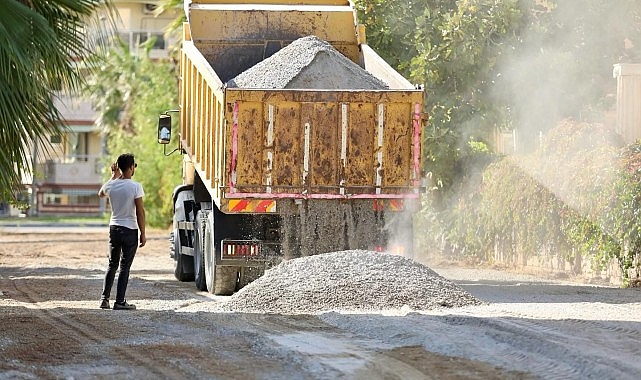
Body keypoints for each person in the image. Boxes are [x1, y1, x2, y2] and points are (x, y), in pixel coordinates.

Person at [98, 153, 146, 310]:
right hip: (130, 229)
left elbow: (100, 194)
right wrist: (143, 233)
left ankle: (104, 299)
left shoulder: (112, 185)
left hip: (114, 229)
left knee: (112, 264)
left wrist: (113, 176)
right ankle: (120, 301)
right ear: (131, 167)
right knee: (124, 267)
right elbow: (140, 212)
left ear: (119, 167)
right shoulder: (135, 186)